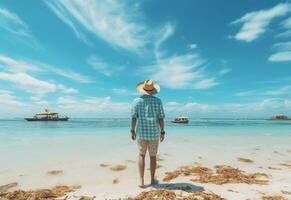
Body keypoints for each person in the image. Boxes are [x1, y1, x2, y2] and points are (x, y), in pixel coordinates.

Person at [131, 79, 165, 188]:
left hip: (141, 133)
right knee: (153, 157)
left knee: (141, 155)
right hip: (154, 133)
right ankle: (152, 180)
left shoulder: (136, 101)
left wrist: (132, 130)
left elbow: (134, 118)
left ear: (143, 89)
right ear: (153, 90)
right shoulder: (158, 101)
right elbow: (161, 118)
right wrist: (162, 131)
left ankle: (141, 181)